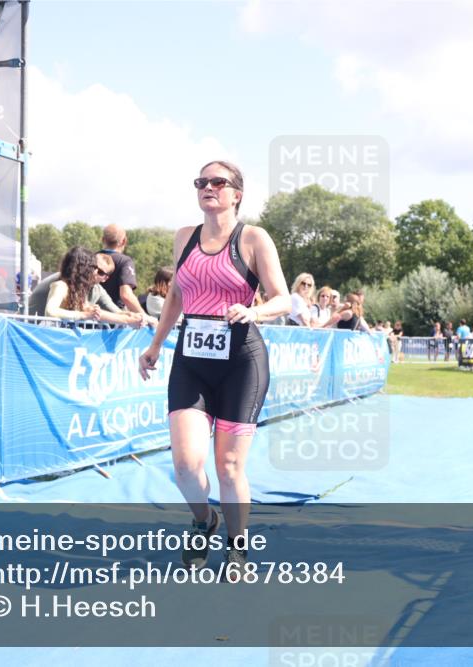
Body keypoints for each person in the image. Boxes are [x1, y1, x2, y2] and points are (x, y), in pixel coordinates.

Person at [137, 161, 290, 580]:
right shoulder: (184, 237)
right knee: (186, 466)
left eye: (217, 182)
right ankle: (204, 520)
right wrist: (155, 344)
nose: (207, 187)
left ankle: (238, 549)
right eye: (201, 182)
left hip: (241, 361)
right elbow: (177, 297)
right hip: (192, 358)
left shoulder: (254, 238)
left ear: (237, 193)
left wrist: (253, 309)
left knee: (229, 467)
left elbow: (284, 299)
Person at [43, 249, 153, 326]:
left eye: (100, 271)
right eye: (92, 267)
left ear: (106, 278)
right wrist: (84, 315)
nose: (94, 271)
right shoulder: (61, 285)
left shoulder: (82, 290)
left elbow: (113, 312)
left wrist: (134, 316)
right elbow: (50, 311)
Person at [98, 223, 145, 314]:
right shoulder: (124, 261)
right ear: (124, 241)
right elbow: (126, 295)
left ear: (103, 240)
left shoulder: (91, 258)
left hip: (90, 317)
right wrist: (144, 316)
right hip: (114, 319)